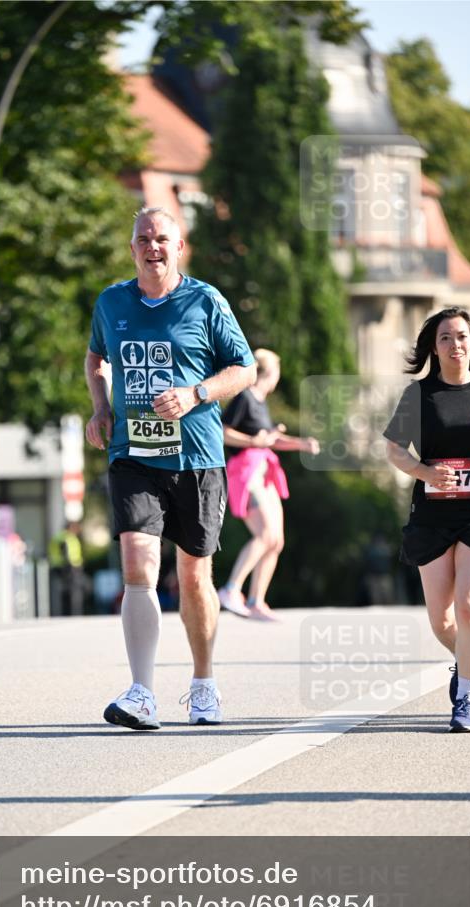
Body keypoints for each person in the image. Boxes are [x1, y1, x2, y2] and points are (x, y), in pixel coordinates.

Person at [85, 206, 255, 730]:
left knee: (192, 572)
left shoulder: (205, 300)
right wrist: (101, 407)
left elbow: (244, 369)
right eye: (143, 239)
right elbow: (95, 359)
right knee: (138, 564)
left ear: (178, 247)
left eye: (162, 239)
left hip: (196, 456)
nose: (152, 246)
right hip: (133, 453)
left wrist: (195, 393)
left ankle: (203, 683)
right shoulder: (111, 301)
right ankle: (141, 692)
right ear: (131, 247)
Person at [384, 306, 470, 733]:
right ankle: (465, 660)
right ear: (434, 345)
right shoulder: (418, 395)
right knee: (442, 621)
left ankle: (466, 699)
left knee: (469, 605)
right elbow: (394, 449)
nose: (455, 345)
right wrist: (424, 472)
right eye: (445, 337)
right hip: (432, 515)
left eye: (462, 336)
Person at [218, 349, 320, 621]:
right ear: (269, 374)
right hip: (246, 473)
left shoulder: (261, 402)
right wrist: (254, 442)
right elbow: (223, 431)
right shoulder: (245, 397)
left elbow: (269, 439)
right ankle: (230, 589)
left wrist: (301, 443)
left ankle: (255, 602)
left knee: (276, 541)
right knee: (264, 535)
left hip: (265, 473)